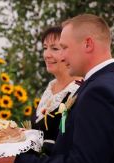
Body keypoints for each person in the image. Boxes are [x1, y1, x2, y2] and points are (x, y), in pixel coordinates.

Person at [0, 14, 114, 163]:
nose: (61, 55)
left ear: (88, 44)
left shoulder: (98, 91)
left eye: (63, 47)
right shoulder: (106, 81)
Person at [33, 26, 80, 155]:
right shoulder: (50, 88)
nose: (47, 55)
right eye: (45, 48)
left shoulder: (80, 92)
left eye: (54, 48)